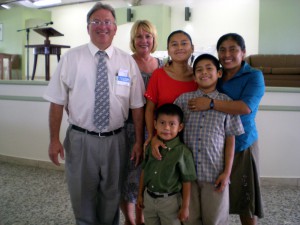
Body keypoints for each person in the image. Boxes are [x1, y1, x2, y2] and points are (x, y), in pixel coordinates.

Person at [43, 2, 145, 225]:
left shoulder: (127, 61)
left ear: (115, 28)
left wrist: (138, 141)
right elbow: (57, 102)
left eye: (107, 22)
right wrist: (53, 140)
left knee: (111, 198)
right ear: (87, 28)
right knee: (82, 197)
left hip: (116, 141)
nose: (102, 27)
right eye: (96, 22)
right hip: (81, 139)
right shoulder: (71, 58)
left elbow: (137, 105)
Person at [187, 33, 265, 225]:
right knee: (216, 198)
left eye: (233, 49)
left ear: (243, 52)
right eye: (222, 50)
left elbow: (245, 107)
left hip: (242, 144)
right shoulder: (216, 73)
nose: (227, 54)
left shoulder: (254, 75)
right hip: (213, 147)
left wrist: (211, 104)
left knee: (246, 200)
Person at [174, 54, 244, 225]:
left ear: (219, 73)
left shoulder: (227, 103)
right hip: (187, 175)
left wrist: (227, 173)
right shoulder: (183, 100)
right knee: (190, 219)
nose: (204, 72)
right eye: (199, 70)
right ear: (194, 75)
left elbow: (230, 140)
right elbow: (171, 132)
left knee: (215, 220)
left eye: (209, 68)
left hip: (215, 174)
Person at [121, 20, 163, 225]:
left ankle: (143, 218)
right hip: (129, 130)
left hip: (155, 132)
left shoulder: (162, 65)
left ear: (154, 39)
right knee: (130, 177)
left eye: (148, 36)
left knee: (149, 178)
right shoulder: (124, 63)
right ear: (133, 39)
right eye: (139, 36)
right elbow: (119, 96)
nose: (144, 40)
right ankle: (131, 219)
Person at [137, 103, 197, 225]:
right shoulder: (150, 147)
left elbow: (187, 182)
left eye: (172, 124)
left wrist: (185, 207)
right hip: (149, 198)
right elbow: (144, 170)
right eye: (162, 123)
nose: (166, 128)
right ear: (155, 124)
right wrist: (140, 194)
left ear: (180, 127)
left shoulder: (183, 152)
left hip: (170, 202)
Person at [144, 30, 198, 152]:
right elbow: (149, 109)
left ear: (192, 48)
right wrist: (152, 136)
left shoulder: (199, 77)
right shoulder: (158, 75)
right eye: (174, 44)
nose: (179, 48)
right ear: (168, 50)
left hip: (194, 140)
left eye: (184, 43)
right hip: (164, 140)